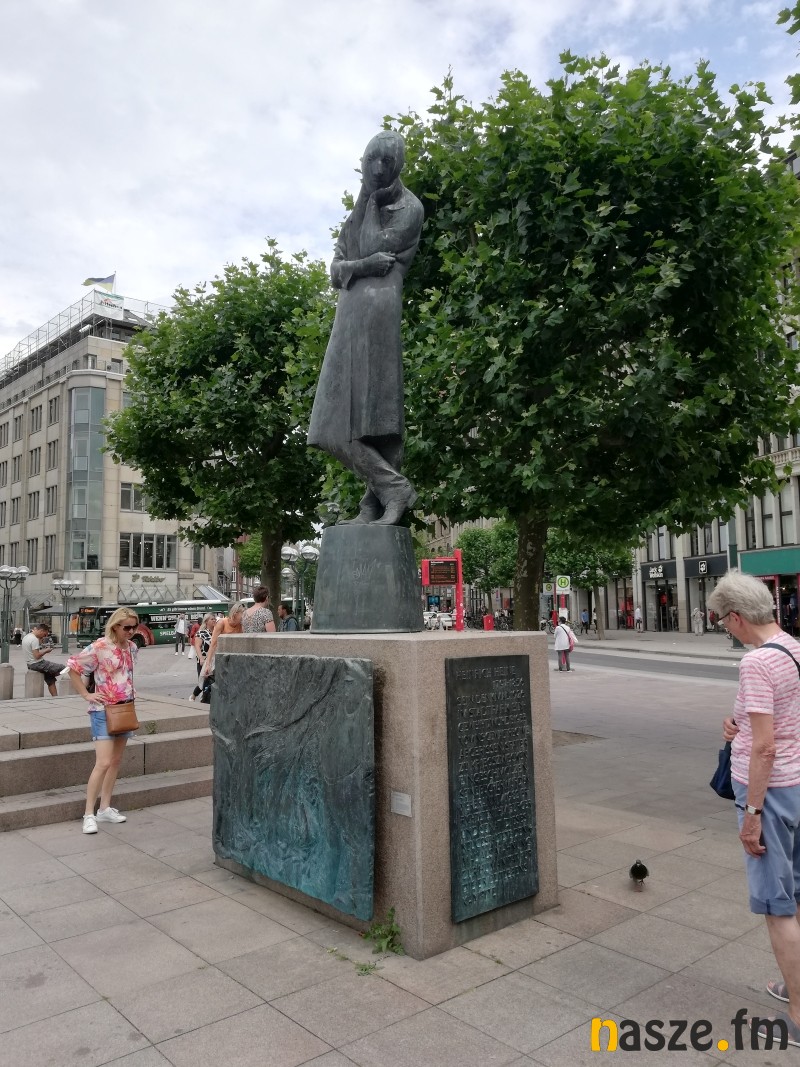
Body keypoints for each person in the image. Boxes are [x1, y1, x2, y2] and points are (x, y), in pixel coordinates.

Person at [307, 131, 424, 527]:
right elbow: (336, 269)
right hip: (349, 316)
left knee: (376, 418)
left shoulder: (410, 208)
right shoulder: (360, 209)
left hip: (378, 313)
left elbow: (372, 243)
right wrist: (361, 266)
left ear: (398, 165)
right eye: (370, 161)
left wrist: (368, 203)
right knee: (329, 425)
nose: (376, 170)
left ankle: (377, 501)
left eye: (385, 162)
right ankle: (387, 493)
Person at [709, 571, 800, 1046]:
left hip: (771, 792)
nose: (725, 627)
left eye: (722, 620)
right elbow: (784, 718)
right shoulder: (793, 648)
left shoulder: (757, 662)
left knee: (776, 904)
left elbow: (765, 747)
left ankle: (799, 1014)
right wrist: (737, 723)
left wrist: (753, 813)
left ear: (738, 617)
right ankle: (794, 983)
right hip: (798, 783)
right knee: (797, 892)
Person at [67, 608, 139, 834]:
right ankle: (88, 813)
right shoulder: (99, 647)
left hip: (125, 709)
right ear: (115, 626)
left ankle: (104, 808)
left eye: (134, 627)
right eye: (127, 627)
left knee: (115, 761)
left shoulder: (132, 647)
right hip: (102, 710)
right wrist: (86, 694)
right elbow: (73, 667)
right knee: (104, 762)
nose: (131, 631)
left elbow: (125, 676)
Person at [200, 601, 246, 689]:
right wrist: (208, 664)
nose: (244, 616)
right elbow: (213, 644)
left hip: (232, 657)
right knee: (211, 681)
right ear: (235, 613)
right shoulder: (222, 623)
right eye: (243, 614)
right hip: (220, 656)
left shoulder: (241, 625)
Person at [22, 623, 64, 696]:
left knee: (50, 679)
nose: (45, 637)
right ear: (41, 631)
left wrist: (40, 640)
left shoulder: (27, 637)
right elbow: (37, 655)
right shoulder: (34, 639)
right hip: (38, 663)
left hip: (30, 664)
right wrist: (46, 651)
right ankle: (54, 673)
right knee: (63, 667)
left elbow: (33, 651)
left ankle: (55, 696)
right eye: (44, 634)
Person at [190, 612, 216, 701]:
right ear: (206, 621)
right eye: (212, 619)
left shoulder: (216, 632)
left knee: (210, 680)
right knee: (203, 679)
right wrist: (201, 658)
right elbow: (197, 646)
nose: (214, 620)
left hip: (214, 660)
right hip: (204, 660)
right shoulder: (201, 633)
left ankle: (204, 698)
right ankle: (195, 696)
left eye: (214, 619)